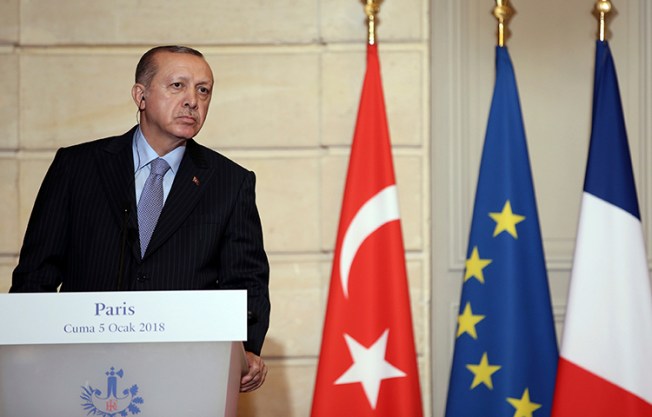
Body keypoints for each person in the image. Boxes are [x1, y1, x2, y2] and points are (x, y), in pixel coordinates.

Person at [10, 45, 270, 392]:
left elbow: (246, 279)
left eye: (203, 90)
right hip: (82, 372)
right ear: (141, 95)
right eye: (177, 85)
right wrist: (23, 350)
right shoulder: (77, 167)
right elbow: (36, 272)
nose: (193, 100)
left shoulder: (229, 182)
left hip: (185, 374)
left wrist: (247, 349)